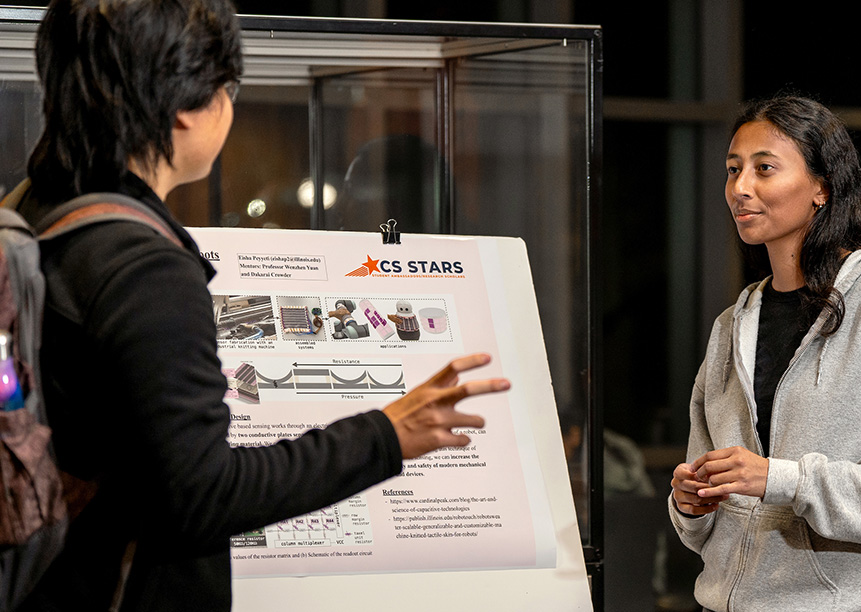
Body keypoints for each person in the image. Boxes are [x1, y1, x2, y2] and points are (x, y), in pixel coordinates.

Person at [12, 1, 509, 610]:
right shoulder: (144, 268)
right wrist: (386, 435)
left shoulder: (37, 208)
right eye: (226, 87)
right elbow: (202, 496)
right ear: (185, 106)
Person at [669, 95, 861, 611]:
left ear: (823, 187)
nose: (740, 188)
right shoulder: (730, 326)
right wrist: (691, 505)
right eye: (733, 170)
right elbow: (708, 520)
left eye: (764, 169)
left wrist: (782, 478)